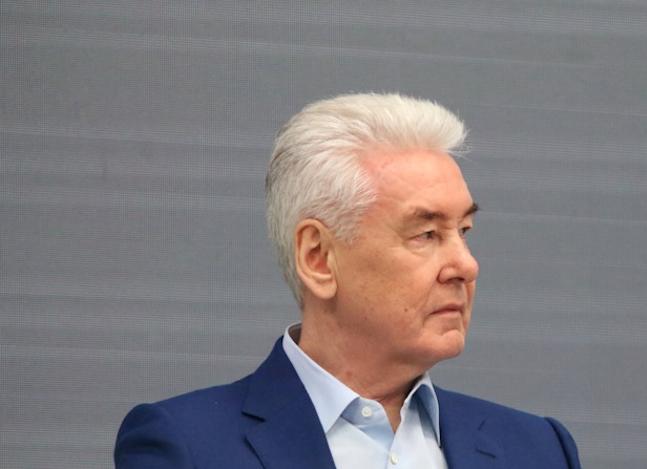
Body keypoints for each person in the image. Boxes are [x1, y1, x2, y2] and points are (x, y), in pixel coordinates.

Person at [114, 93, 581, 469]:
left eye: (464, 231)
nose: (466, 265)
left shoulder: (538, 450)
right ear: (318, 258)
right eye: (426, 234)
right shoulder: (188, 448)